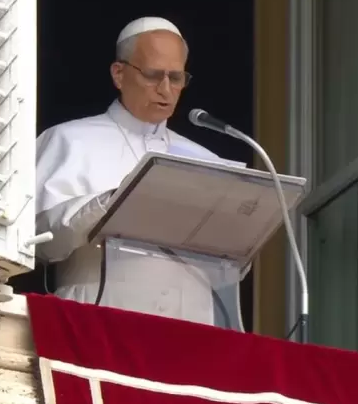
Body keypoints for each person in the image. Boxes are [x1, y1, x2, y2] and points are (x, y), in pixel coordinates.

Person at [34, 17, 245, 330]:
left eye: (176, 78)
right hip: (98, 319)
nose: (166, 89)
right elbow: (39, 242)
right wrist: (110, 204)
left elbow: (229, 269)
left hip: (191, 329)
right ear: (119, 74)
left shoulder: (207, 160)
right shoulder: (68, 139)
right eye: (152, 75)